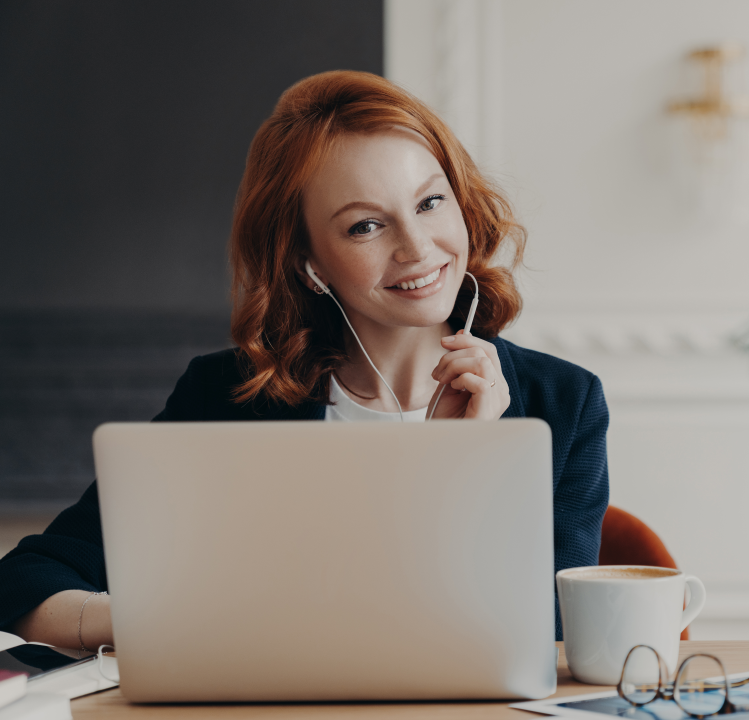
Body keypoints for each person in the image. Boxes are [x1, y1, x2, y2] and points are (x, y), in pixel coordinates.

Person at [0, 71, 609, 649]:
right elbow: (25, 581)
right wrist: (161, 621)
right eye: (366, 226)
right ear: (308, 264)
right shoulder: (226, 395)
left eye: (430, 203)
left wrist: (464, 471)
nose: (419, 249)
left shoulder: (564, 403)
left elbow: (551, 632)